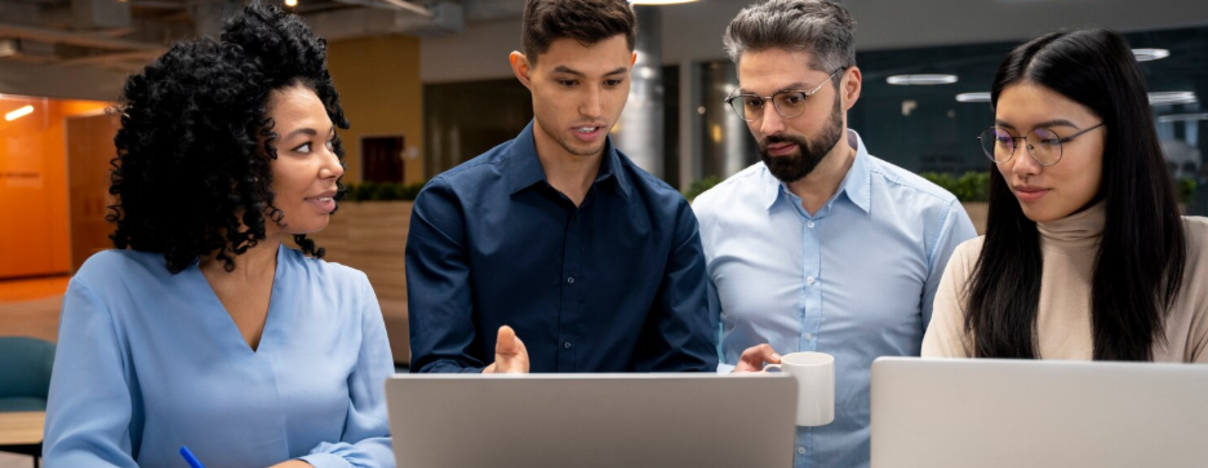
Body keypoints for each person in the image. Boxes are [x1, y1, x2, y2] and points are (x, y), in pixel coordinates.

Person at [41, 5, 395, 467]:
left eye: (331, 143)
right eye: (303, 147)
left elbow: (388, 442)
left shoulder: (349, 295)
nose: (335, 166)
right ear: (229, 162)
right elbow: (78, 457)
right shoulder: (112, 290)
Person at [690, 1, 976, 466]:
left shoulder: (933, 220)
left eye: (793, 98)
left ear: (849, 87)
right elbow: (686, 362)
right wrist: (727, 379)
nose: (770, 124)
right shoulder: (710, 217)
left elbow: (964, 381)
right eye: (753, 103)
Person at [405, 0, 716, 374]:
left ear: (631, 68)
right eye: (569, 82)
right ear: (524, 71)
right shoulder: (450, 206)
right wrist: (488, 386)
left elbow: (688, 372)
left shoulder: (669, 218)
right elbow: (437, 365)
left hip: (629, 434)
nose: (594, 108)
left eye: (613, 82)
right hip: (494, 431)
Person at [922, 29, 1208, 362]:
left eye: (1051, 139)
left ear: (1118, 136)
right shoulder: (973, 266)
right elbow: (941, 408)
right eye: (1005, 138)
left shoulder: (1197, 259)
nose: (1021, 165)